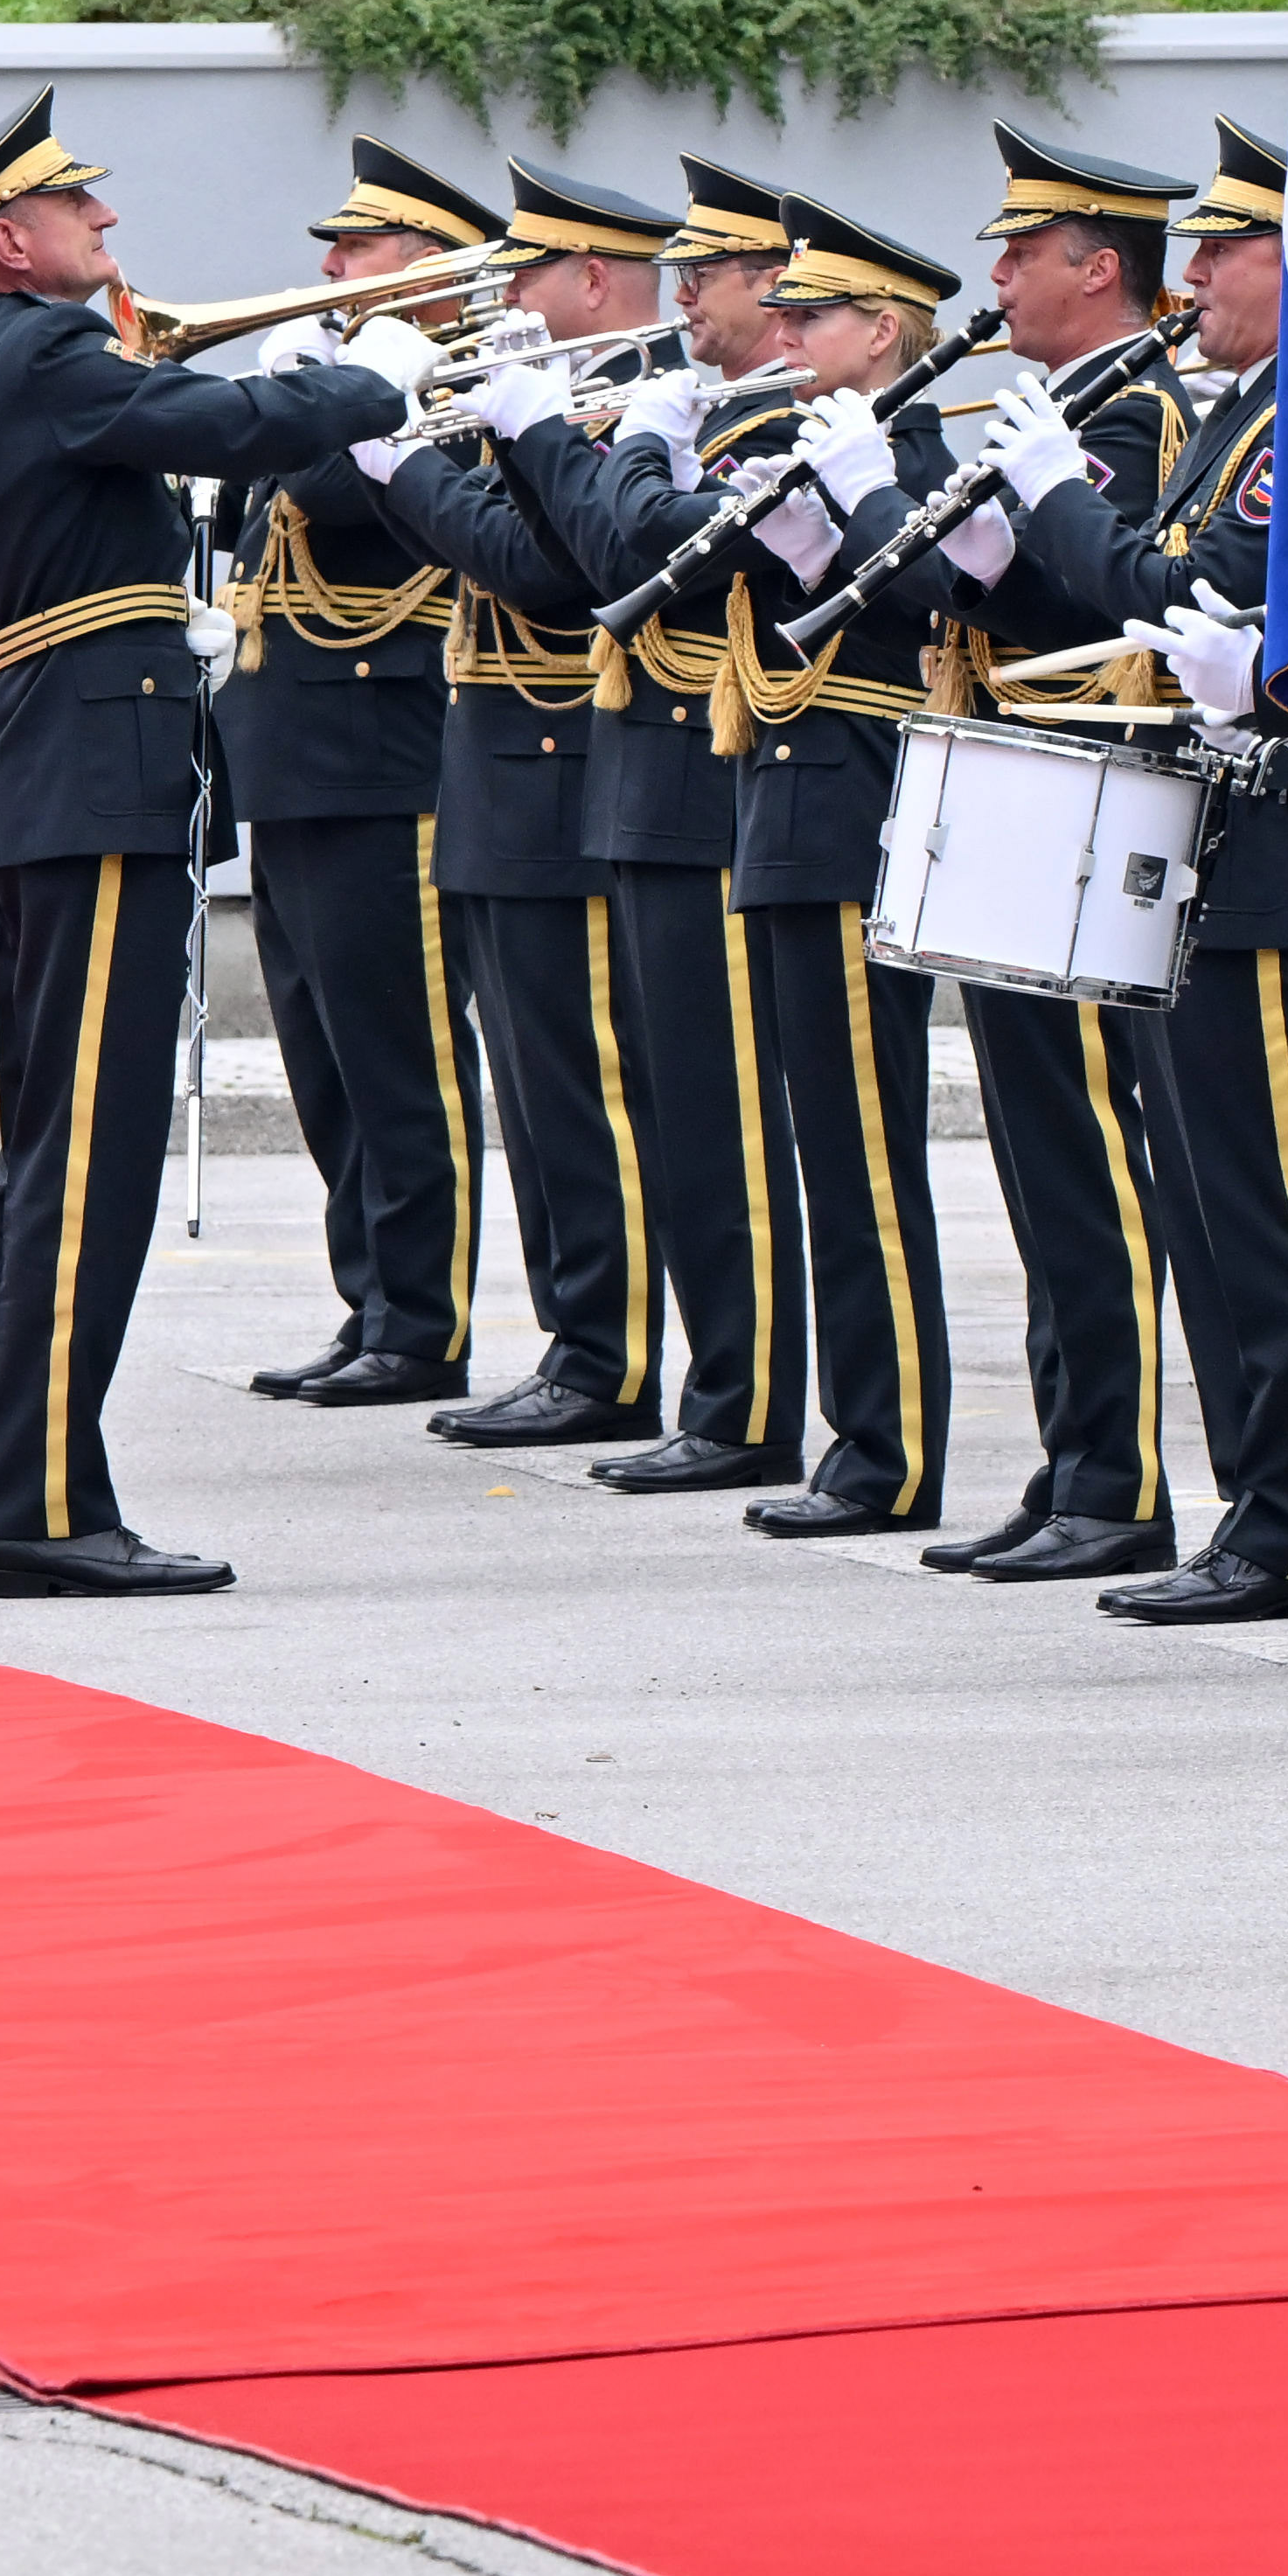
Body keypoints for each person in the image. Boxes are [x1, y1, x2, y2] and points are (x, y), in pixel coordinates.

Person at [0, 98, 414, 1597]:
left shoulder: (11, 369)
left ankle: (49, 1493)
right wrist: (372, 377)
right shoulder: (50, 357)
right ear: (13, 239)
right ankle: (47, 1515)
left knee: (65, 1155)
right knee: (90, 1160)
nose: (108, 228)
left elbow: (191, 454)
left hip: (60, 776)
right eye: (81, 210)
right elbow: (236, 429)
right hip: (91, 780)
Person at [562, 188, 978, 1544]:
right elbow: (660, 554)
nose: (783, 332)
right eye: (783, 310)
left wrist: (849, 503)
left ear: (881, 333)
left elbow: (921, 594)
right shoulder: (807, 443)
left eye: (812, 315)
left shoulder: (902, 455)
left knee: (864, 1153)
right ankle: (862, 1434)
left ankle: (889, 1444)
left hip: (855, 813)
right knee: (828, 1146)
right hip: (784, 811)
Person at [887, 128, 1202, 1587]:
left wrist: (1028, 520)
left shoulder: (1145, 410)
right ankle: (1076, 1451)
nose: (995, 273)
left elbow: (1122, 583)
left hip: (1085, 791)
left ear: (1098, 267)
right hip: (1014, 782)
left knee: (1082, 1145)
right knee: (1032, 1144)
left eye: (1023, 251)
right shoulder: (1060, 397)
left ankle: (1120, 1470)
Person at [1085, 124, 1288, 1628]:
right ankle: (1246, 1504)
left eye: (1226, 247)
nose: (1191, 273)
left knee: (1269, 1211)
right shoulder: (1241, 410)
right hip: (1198, 842)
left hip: (1265, 856)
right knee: (1205, 1207)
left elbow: (1202, 592)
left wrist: (1057, 526)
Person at [362, 162, 687, 1456]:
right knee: (532, 1075)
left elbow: (532, 567)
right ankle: (573, 1335)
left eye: (525, 273)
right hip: (496, 754)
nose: (496, 294)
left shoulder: (625, 401)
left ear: (594, 280)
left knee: (585, 1077)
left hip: (565, 756)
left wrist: (397, 464)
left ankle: (612, 1352)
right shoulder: (543, 397)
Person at [539, 166, 813, 1500]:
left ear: (777, 288)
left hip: (712, 778)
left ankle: (749, 1397)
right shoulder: (702, 406)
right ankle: (721, 1386)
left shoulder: (779, 418)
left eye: (706, 273)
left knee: (725, 1112)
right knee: (678, 1105)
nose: (681, 293)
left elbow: (623, 548)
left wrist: (609, 443)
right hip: (650, 775)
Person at [227, 143, 502, 1411]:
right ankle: (370, 1299)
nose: (328, 271)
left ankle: (423, 1315)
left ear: (436, 270)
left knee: (403, 1053)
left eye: (359, 249)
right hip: (287, 751)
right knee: (323, 1052)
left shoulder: (463, 382)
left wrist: (304, 404)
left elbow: (334, 493)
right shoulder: (343, 381)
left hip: (384, 752)